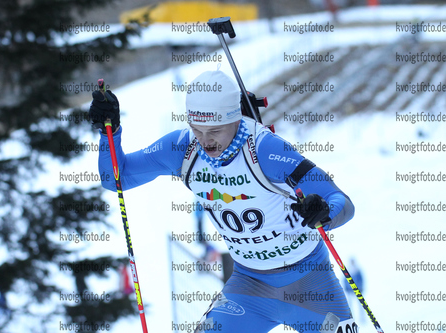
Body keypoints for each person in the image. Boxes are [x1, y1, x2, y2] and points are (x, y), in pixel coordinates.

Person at [90, 70, 357, 333]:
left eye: (215, 131)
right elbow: (116, 178)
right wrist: (109, 132)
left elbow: (341, 200)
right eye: (197, 130)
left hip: (311, 283)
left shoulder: (265, 149)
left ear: (236, 119)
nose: (205, 142)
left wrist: (325, 213)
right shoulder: (183, 149)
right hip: (249, 288)